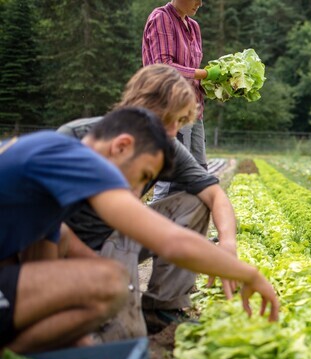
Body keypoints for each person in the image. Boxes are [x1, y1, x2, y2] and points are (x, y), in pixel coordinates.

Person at [1, 108, 279, 354]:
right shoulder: (77, 159)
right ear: (122, 146)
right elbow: (172, 242)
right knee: (110, 281)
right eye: (144, 175)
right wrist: (248, 273)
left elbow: (45, 281)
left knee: (74, 251)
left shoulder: (51, 164)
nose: (138, 190)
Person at [58, 64, 242, 339]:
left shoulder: (166, 145)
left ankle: (161, 306)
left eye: (180, 123)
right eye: (169, 119)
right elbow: (47, 225)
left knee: (196, 199)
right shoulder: (79, 138)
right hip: (74, 252)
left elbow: (214, 194)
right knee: (124, 336)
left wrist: (227, 243)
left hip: (122, 236)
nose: (173, 131)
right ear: (142, 105)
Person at [142, 0, 222, 172]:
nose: (200, 3)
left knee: (198, 172)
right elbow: (163, 66)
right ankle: (164, 201)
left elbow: (191, 74)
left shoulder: (194, 27)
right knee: (174, 173)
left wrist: (218, 85)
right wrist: (205, 74)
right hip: (171, 109)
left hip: (194, 109)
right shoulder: (162, 18)